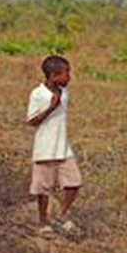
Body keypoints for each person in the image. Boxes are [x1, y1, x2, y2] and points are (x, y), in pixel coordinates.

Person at [26, 55, 82, 235]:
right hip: (44, 149)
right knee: (43, 189)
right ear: (52, 75)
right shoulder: (38, 94)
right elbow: (31, 120)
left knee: (74, 183)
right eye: (66, 74)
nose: (69, 78)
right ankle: (43, 222)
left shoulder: (63, 92)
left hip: (63, 148)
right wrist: (51, 107)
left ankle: (62, 215)